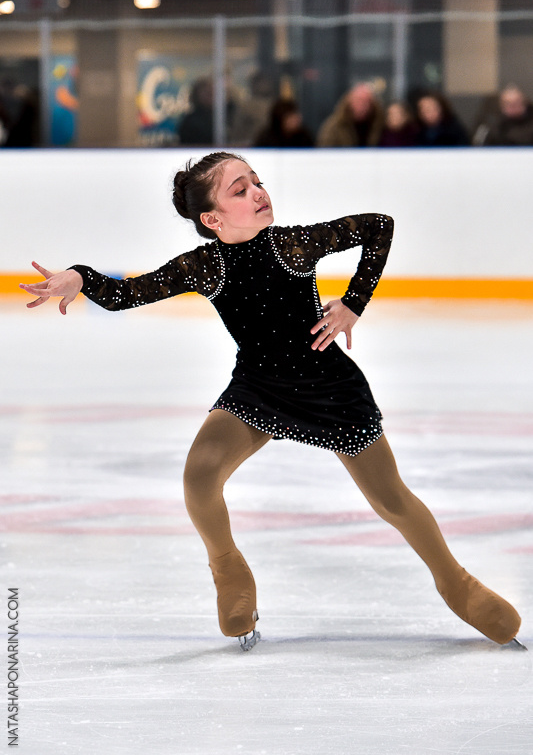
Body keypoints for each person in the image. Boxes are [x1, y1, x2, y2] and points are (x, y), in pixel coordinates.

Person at [20, 151, 522, 652]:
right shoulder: (205, 266)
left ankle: (456, 583)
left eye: (256, 181)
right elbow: (126, 295)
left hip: (332, 391)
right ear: (211, 219)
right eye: (240, 189)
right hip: (259, 389)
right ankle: (229, 570)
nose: (258, 192)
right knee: (199, 475)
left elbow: (378, 227)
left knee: (391, 499)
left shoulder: (293, 245)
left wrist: (354, 303)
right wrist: (81, 277)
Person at [316, 82, 385, 148]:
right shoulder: (333, 127)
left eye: (366, 102)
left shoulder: (381, 125)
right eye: (358, 101)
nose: (362, 106)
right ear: (349, 102)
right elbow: (324, 151)